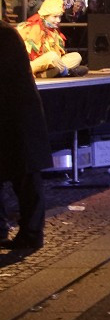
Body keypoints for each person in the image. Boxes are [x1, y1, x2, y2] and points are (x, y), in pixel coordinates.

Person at [0, 19, 50, 253]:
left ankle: (31, 234)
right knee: (24, 177)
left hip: (15, 116)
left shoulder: (5, 35)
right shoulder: (7, 33)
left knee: (26, 178)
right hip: (14, 116)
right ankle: (26, 233)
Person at [16, 0, 87, 77]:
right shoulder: (30, 28)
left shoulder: (54, 31)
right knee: (52, 56)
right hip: (31, 65)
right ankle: (65, 72)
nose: (58, 20)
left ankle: (51, 73)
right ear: (45, 16)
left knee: (76, 56)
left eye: (60, 17)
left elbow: (59, 56)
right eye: (55, 17)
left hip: (51, 64)